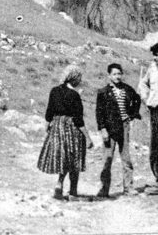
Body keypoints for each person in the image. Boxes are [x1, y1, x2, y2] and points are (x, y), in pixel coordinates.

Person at [38, 64, 93, 200]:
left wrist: (47, 127)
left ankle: (59, 185)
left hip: (57, 128)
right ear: (74, 78)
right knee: (75, 160)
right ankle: (73, 191)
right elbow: (78, 119)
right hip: (71, 129)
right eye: (79, 78)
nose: (80, 81)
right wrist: (88, 137)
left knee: (63, 158)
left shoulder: (54, 91)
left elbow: (49, 112)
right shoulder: (74, 95)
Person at [96, 63, 141, 197]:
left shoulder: (128, 89)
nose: (117, 76)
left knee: (126, 157)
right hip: (109, 129)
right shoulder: (103, 92)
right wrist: (102, 129)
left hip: (124, 127)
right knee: (107, 159)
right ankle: (104, 189)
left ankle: (128, 188)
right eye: (114, 74)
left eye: (119, 74)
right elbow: (99, 112)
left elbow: (137, 99)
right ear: (109, 75)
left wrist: (132, 115)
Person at [138, 42, 158, 190]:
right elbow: (143, 84)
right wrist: (146, 99)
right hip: (155, 110)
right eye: (155, 55)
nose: (156, 58)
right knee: (155, 143)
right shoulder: (152, 68)